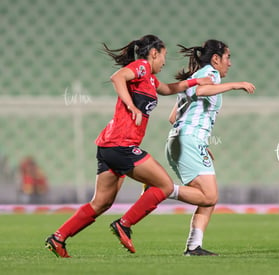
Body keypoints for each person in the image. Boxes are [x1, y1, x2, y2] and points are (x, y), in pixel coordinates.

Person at [44, 34, 213, 258]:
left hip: (108, 146)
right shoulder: (142, 66)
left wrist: (194, 82)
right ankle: (124, 224)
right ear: (154, 54)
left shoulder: (151, 80)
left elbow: (169, 89)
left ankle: (58, 237)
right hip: (121, 145)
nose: (164, 61)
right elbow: (117, 77)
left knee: (101, 203)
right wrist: (130, 105)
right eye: (163, 56)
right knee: (163, 186)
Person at [164, 39, 255, 255]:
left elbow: (172, 117)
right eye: (228, 57)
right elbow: (201, 91)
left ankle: (194, 246)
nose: (230, 63)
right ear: (216, 59)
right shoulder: (208, 74)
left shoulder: (194, 77)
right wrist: (236, 85)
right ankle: (160, 189)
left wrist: (200, 141)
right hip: (189, 140)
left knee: (207, 197)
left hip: (179, 140)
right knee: (210, 196)